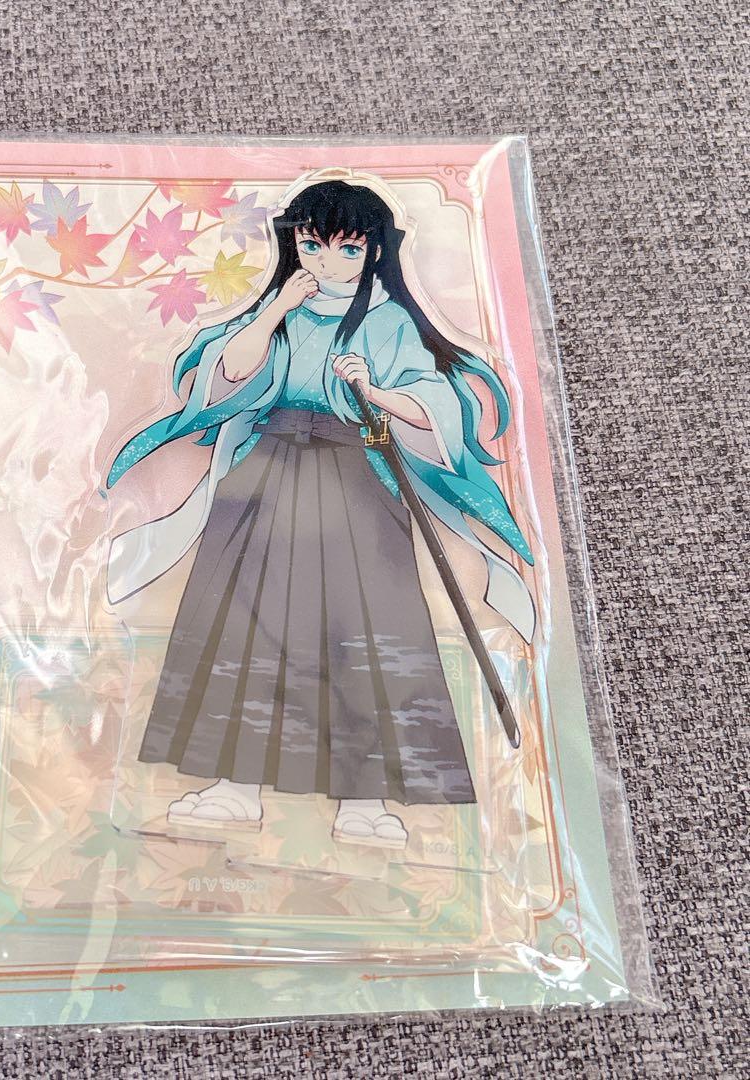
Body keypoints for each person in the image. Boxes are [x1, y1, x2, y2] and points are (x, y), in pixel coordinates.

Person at [106, 177, 535, 848]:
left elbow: (434, 401)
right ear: (294, 245)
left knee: (363, 623)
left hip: (354, 478)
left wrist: (375, 392)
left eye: (347, 249)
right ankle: (234, 784)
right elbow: (229, 374)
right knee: (242, 621)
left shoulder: (389, 321)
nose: (327, 262)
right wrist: (277, 308)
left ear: (374, 251)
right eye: (312, 246)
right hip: (266, 474)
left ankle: (365, 797)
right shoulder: (284, 310)